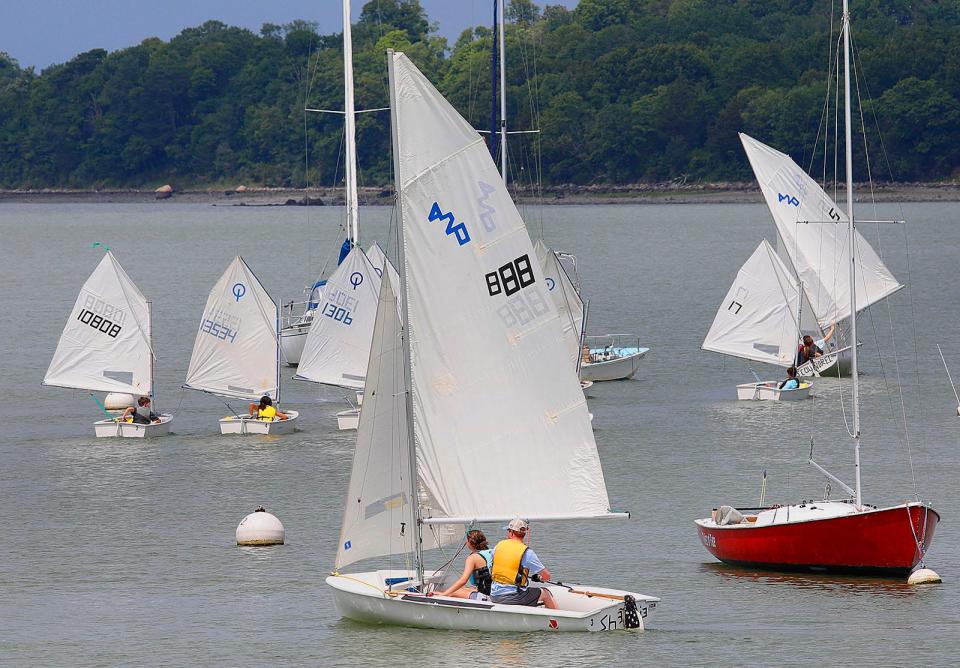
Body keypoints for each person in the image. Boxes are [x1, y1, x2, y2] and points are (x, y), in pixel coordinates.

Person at [489, 519, 558, 609]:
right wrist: (539, 578)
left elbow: (490, 567)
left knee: (528, 591)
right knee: (545, 593)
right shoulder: (527, 552)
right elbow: (547, 576)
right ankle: (558, 620)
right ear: (523, 534)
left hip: (494, 595)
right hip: (514, 597)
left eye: (508, 531)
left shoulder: (498, 546)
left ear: (511, 533)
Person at [438, 530, 493, 600]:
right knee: (464, 589)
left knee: (452, 592)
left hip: (486, 595)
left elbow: (463, 580)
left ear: (469, 542)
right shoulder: (492, 552)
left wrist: (443, 594)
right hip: (494, 592)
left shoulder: (472, 558)